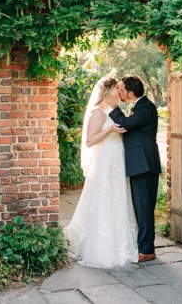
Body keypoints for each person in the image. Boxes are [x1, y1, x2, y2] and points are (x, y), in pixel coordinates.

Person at [63, 76, 138, 268]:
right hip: (104, 162)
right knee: (103, 200)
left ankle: (120, 244)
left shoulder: (113, 110)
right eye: (117, 88)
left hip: (117, 162)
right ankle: (100, 247)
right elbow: (90, 141)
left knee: (118, 199)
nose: (120, 92)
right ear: (107, 92)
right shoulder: (98, 112)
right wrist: (110, 130)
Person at [109, 75, 161, 263]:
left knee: (144, 207)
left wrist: (114, 107)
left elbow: (124, 125)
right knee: (141, 207)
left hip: (144, 164)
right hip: (139, 164)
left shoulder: (145, 107)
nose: (120, 93)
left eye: (121, 90)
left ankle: (147, 250)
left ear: (131, 93)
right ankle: (145, 246)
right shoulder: (138, 106)